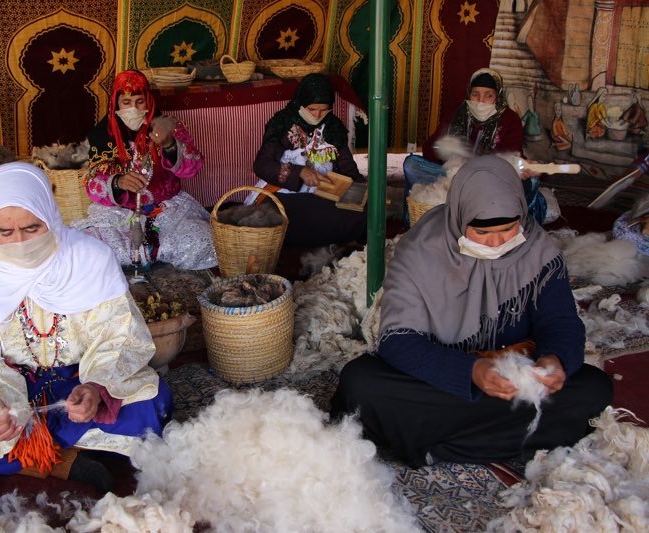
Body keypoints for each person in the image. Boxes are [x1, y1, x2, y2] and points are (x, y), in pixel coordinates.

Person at [0, 162, 172, 496]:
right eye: (5, 232)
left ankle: (21, 458)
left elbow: (119, 337)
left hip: (74, 387)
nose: (19, 241)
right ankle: (62, 460)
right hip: (6, 390)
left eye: (31, 228)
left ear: (50, 215)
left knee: (151, 399)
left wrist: (95, 388)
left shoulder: (89, 259)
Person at [332, 155, 612, 468]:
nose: (495, 242)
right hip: (442, 380)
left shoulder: (539, 251)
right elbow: (399, 339)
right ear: (459, 218)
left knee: (594, 388)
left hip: (513, 381)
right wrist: (470, 372)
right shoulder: (420, 251)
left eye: (508, 229)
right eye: (481, 233)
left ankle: (435, 445)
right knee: (360, 382)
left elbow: (559, 322)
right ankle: (506, 441)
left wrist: (554, 360)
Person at [74, 70, 216, 271]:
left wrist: (169, 144)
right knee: (88, 249)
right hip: (119, 214)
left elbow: (192, 169)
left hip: (168, 210)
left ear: (149, 101)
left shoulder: (168, 127)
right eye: (126, 102)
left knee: (203, 240)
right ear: (115, 104)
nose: (133, 108)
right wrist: (117, 182)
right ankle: (153, 258)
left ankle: (152, 256)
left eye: (140, 101)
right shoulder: (101, 134)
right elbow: (92, 184)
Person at [402, 68, 546, 226]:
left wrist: (475, 160)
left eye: (488, 95)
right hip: (452, 177)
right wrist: (444, 148)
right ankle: (426, 211)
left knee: (530, 180)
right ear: (468, 94)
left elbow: (510, 157)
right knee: (412, 164)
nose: (480, 100)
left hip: (488, 178)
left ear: (497, 96)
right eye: (475, 94)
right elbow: (429, 150)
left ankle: (482, 211)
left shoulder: (510, 119)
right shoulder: (456, 113)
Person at [249, 73, 366, 247]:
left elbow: (348, 167)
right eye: (312, 109)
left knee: (363, 213)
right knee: (277, 219)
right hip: (285, 193)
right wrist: (299, 172)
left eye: (324, 109)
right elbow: (262, 165)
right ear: (300, 102)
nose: (318, 115)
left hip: (323, 194)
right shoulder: (282, 124)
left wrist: (360, 192)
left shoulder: (333, 127)